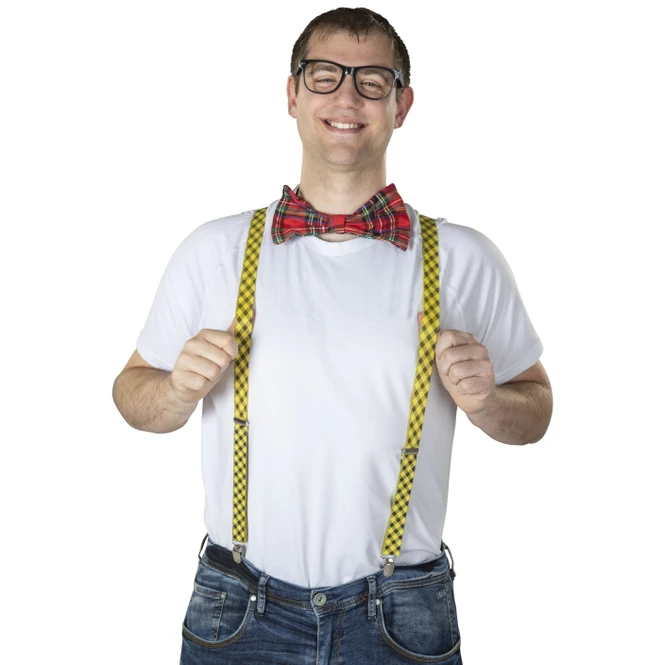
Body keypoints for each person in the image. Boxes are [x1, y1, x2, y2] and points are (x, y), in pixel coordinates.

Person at [112, 7, 553, 664]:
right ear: (292, 94)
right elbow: (131, 393)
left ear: (402, 105)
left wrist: (488, 402)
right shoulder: (215, 250)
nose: (347, 97)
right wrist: (175, 390)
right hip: (238, 610)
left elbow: (536, 410)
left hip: (403, 616)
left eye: (372, 80)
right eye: (324, 75)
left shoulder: (463, 258)